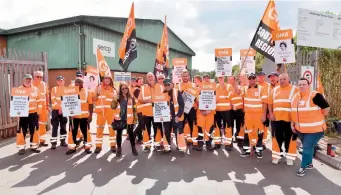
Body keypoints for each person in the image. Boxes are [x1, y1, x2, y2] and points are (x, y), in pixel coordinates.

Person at [291, 77, 330, 177]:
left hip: (315, 130)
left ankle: (302, 167)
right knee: (309, 147)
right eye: (300, 84)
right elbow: (294, 112)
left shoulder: (315, 95)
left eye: (304, 84)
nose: (301, 86)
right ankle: (309, 163)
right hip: (301, 130)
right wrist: (293, 123)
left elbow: (326, 108)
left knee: (306, 147)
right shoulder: (295, 96)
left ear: (308, 85)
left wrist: (321, 116)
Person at [268, 74, 299, 165]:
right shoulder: (274, 90)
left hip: (290, 120)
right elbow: (270, 103)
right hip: (276, 119)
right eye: (280, 79)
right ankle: (277, 156)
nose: (282, 81)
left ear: (288, 79)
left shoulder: (295, 89)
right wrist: (270, 113)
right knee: (276, 139)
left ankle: (289, 158)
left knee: (290, 139)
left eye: (284, 79)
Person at [240, 73, 268, 158]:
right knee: (247, 132)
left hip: (258, 115)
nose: (251, 80)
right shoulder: (245, 88)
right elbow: (239, 94)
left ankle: (259, 150)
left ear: (256, 79)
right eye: (250, 78)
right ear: (248, 79)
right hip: (248, 115)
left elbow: (265, 103)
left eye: (253, 78)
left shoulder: (261, 89)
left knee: (259, 132)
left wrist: (264, 115)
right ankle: (247, 150)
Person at [66, 78, 93, 155]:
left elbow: (90, 104)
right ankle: (72, 147)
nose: (78, 84)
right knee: (72, 132)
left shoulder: (87, 92)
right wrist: (69, 114)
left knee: (86, 132)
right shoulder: (71, 91)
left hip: (84, 116)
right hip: (74, 116)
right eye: (76, 82)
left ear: (82, 83)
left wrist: (91, 115)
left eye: (80, 82)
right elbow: (67, 102)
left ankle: (87, 147)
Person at [111, 83, 139, 157]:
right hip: (120, 119)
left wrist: (135, 117)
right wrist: (115, 99)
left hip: (129, 119)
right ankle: (119, 149)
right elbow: (112, 107)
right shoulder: (118, 97)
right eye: (122, 89)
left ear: (128, 88)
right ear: (120, 90)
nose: (124, 90)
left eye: (125, 88)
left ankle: (133, 149)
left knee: (131, 134)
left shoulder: (131, 97)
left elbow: (135, 107)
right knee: (119, 134)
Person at [138, 72, 164, 152]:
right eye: (148, 76)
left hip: (157, 113)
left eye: (151, 76)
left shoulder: (160, 87)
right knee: (146, 130)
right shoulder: (143, 88)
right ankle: (147, 145)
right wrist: (147, 100)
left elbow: (164, 99)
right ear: (146, 78)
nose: (150, 78)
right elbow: (139, 100)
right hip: (146, 113)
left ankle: (157, 144)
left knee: (158, 129)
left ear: (154, 77)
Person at [16, 74, 41, 155]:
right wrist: (16, 112)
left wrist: (38, 111)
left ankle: (34, 146)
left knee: (34, 130)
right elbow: (15, 102)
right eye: (27, 79)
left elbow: (39, 101)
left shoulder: (35, 89)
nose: (28, 80)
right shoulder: (19, 89)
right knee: (22, 131)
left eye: (30, 79)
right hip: (23, 114)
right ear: (23, 80)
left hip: (33, 114)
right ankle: (21, 148)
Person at [93, 75, 117, 154]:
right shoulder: (98, 87)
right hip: (101, 113)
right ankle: (98, 146)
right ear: (103, 80)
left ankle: (113, 145)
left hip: (111, 113)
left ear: (111, 80)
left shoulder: (114, 90)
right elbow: (93, 99)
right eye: (105, 78)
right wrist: (97, 93)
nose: (107, 80)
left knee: (112, 129)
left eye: (108, 79)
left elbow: (116, 102)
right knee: (99, 129)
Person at [163, 78, 186, 156]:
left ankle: (182, 149)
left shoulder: (176, 92)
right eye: (165, 85)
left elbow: (182, 105)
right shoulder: (162, 93)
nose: (167, 86)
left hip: (176, 117)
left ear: (172, 84)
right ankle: (167, 148)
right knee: (166, 132)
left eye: (168, 84)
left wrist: (178, 115)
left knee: (179, 133)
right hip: (166, 117)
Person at [176, 71, 198, 148]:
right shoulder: (178, 86)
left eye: (186, 76)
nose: (185, 77)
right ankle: (182, 142)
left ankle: (193, 141)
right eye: (183, 76)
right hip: (182, 110)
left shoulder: (193, 85)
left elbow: (197, 96)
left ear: (189, 76)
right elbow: (175, 97)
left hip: (191, 109)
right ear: (181, 77)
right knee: (181, 125)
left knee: (193, 125)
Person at [196, 74, 216, 151]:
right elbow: (196, 99)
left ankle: (208, 144)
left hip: (210, 112)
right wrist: (202, 110)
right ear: (202, 80)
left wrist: (209, 110)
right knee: (200, 128)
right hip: (201, 112)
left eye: (208, 78)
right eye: (205, 78)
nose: (206, 79)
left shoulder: (213, 88)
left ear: (209, 79)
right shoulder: (198, 88)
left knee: (209, 129)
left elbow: (214, 100)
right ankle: (200, 144)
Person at [215, 76, 233, 151]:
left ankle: (228, 144)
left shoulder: (229, 86)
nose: (220, 79)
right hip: (217, 110)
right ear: (217, 78)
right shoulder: (215, 86)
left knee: (227, 127)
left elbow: (230, 96)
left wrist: (223, 86)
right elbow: (213, 98)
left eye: (222, 77)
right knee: (217, 127)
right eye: (219, 77)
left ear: (224, 78)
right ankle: (217, 143)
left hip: (226, 110)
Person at [50, 76, 68, 149]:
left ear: (64, 81)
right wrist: (60, 108)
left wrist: (62, 109)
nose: (60, 81)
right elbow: (53, 100)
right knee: (55, 126)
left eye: (61, 80)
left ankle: (63, 141)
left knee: (63, 126)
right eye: (59, 80)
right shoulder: (54, 89)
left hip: (64, 111)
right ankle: (53, 143)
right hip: (55, 110)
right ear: (57, 82)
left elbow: (67, 100)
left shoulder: (67, 89)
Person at [33, 70, 49, 147]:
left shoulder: (44, 84)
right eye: (37, 77)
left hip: (43, 108)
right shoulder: (31, 84)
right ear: (34, 76)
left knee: (43, 124)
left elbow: (47, 95)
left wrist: (47, 105)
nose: (39, 78)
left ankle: (42, 140)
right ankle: (35, 142)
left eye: (41, 77)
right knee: (35, 125)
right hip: (34, 108)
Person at [228, 76, 245, 147]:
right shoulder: (227, 87)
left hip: (239, 110)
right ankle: (230, 141)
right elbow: (226, 98)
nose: (231, 81)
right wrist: (231, 105)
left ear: (234, 80)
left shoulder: (239, 87)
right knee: (230, 126)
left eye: (232, 79)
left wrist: (236, 87)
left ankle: (239, 140)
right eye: (229, 79)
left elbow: (240, 93)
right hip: (231, 110)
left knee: (239, 126)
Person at [257, 71, 271, 148]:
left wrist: (269, 112)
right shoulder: (255, 85)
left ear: (264, 76)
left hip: (266, 110)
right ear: (257, 77)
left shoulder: (268, 86)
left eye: (262, 76)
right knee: (257, 127)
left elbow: (270, 99)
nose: (261, 77)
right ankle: (257, 141)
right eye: (259, 76)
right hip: (257, 110)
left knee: (265, 127)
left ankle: (263, 142)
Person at [133, 77, 144, 144]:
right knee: (141, 124)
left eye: (142, 81)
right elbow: (141, 98)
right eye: (140, 81)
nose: (141, 82)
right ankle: (133, 135)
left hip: (142, 109)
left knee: (141, 124)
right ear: (137, 82)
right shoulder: (136, 89)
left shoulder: (141, 89)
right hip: (139, 109)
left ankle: (140, 138)